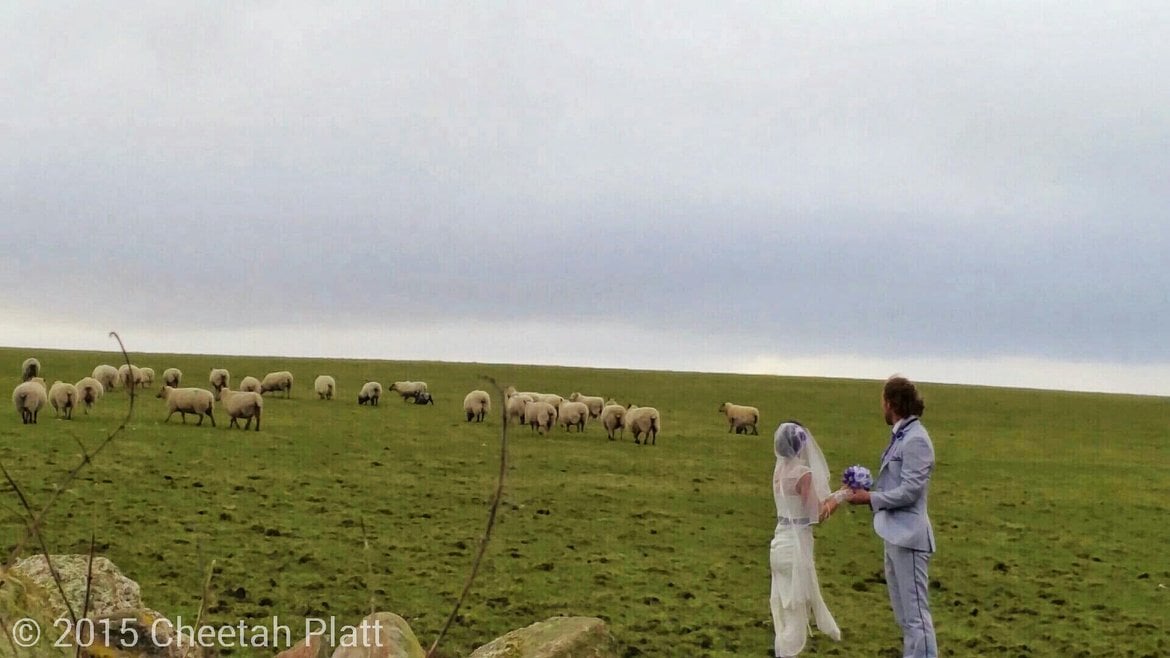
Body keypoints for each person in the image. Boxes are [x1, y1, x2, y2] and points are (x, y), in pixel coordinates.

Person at [846, 376, 938, 657]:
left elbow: (910, 491)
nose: (882, 408)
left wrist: (870, 499)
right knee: (905, 618)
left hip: (909, 537)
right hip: (893, 533)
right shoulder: (903, 435)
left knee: (916, 617)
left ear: (891, 403)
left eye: (883, 402)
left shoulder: (916, 440)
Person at [769, 421, 842, 657]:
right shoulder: (803, 474)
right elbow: (816, 515)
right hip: (796, 547)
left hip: (779, 542)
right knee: (796, 616)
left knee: (784, 607)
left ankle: (781, 650)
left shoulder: (779, 471)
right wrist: (842, 496)